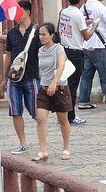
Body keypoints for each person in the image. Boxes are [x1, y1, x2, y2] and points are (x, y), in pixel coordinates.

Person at [2, 0, 41, 155]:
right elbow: (8, 55)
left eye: (19, 11)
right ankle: (23, 143)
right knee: (15, 111)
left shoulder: (38, 31)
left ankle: (42, 143)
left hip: (32, 76)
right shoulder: (12, 33)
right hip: (14, 78)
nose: (16, 15)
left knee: (38, 112)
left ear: (27, 12)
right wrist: (3, 78)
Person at [58, 0, 100, 125]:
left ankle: (62, 115)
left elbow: (66, 28)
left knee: (64, 84)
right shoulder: (77, 14)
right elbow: (87, 36)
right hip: (75, 52)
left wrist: (84, 23)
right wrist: (94, 26)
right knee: (73, 85)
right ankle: (71, 115)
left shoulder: (64, 12)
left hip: (64, 50)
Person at [32, 23, 71, 163]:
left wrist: (54, 82)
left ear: (52, 35)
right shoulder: (40, 50)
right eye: (40, 34)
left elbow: (61, 65)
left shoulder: (58, 48)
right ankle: (43, 150)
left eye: (44, 34)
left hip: (59, 88)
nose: (41, 37)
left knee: (63, 119)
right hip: (44, 88)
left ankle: (66, 147)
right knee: (40, 118)